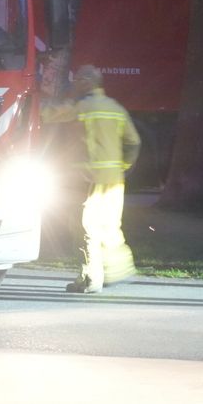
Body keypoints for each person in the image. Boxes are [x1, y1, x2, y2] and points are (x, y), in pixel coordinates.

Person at [42, 65, 141, 294]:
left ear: (87, 82)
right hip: (114, 179)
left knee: (87, 228)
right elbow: (134, 142)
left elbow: (47, 114)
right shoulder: (115, 108)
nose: (74, 83)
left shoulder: (82, 106)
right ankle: (118, 269)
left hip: (88, 179)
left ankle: (91, 279)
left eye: (77, 79)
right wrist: (122, 167)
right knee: (109, 225)